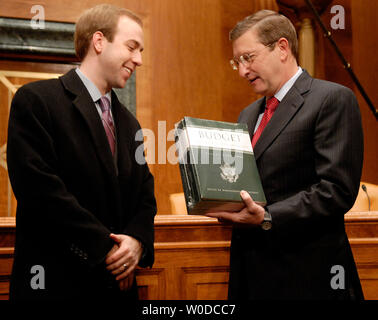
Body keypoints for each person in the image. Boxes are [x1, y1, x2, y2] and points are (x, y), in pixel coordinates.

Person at [206, 10, 364, 300]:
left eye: (248, 58)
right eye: (237, 61)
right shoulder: (249, 113)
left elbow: (336, 191)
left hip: (309, 276)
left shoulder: (332, 99)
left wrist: (267, 217)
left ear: (282, 48)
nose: (242, 71)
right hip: (251, 272)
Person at [7, 4, 156, 300]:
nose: (138, 59)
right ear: (99, 41)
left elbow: (145, 195)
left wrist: (137, 243)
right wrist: (108, 250)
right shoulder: (37, 101)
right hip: (57, 283)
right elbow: (40, 192)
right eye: (132, 47)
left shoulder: (129, 123)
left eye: (141, 51)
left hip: (118, 289)